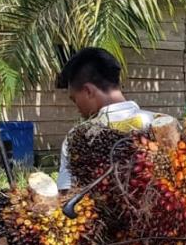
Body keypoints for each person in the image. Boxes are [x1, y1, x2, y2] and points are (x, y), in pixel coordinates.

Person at [55, 47, 156, 192]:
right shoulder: (161, 122)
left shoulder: (77, 137)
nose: (76, 106)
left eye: (74, 99)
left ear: (88, 91)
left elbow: (66, 195)